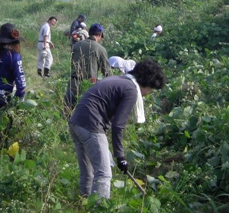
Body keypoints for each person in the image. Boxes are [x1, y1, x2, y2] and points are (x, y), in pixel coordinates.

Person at [69, 59, 166, 199]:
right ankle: (100, 208)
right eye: (151, 89)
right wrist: (120, 157)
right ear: (147, 83)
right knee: (104, 174)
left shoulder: (119, 80)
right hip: (91, 125)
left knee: (88, 171)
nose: (148, 93)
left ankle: (84, 203)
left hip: (76, 122)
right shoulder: (131, 90)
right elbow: (118, 125)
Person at [0, 23, 26, 154]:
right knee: (3, 133)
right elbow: (21, 83)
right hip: (5, 100)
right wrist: (18, 99)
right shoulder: (14, 56)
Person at [64, 23, 113, 110]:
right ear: (100, 34)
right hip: (89, 85)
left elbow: (72, 63)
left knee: (68, 111)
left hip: (73, 83)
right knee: (87, 112)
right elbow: (107, 72)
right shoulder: (100, 49)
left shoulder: (76, 45)